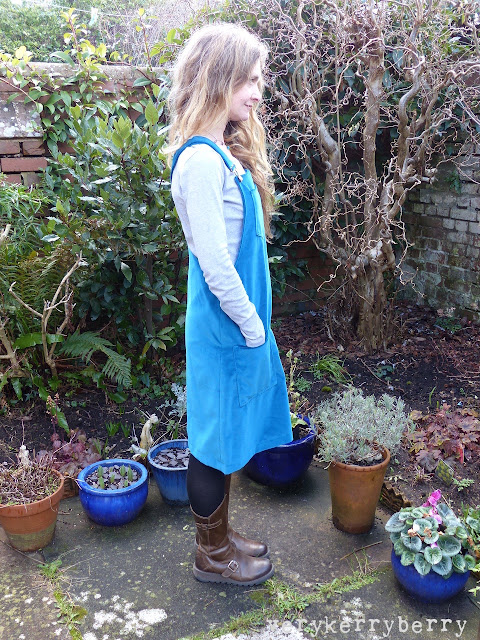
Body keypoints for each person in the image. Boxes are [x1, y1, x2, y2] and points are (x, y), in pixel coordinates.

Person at [167, 22, 293, 586]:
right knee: (210, 444)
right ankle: (212, 555)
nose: (259, 92)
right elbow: (216, 264)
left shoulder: (220, 153)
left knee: (225, 433)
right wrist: (251, 325)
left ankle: (222, 535)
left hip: (234, 322)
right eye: (251, 80)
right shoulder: (200, 162)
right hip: (224, 325)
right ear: (220, 78)